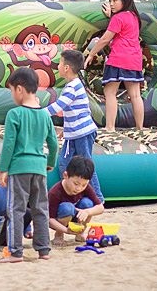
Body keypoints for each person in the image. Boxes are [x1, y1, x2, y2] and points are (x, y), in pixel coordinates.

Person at [0, 67, 57, 263]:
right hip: (39, 168)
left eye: (12, 90)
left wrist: (3, 169)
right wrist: (50, 163)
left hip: (19, 168)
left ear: (20, 89)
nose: (12, 95)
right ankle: (43, 250)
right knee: (41, 209)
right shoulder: (45, 115)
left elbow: (8, 145)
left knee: (16, 209)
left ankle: (15, 252)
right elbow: (53, 143)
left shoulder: (14, 114)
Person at [84, 0, 144, 131]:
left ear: (125, 0)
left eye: (115, 0)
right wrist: (112, 16)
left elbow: (105, 39)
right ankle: (140, 128)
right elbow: (124, 28)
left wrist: (91, 54)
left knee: (110, 93)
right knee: (135, 95)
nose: (111, 4)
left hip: (118, 59)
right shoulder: (134, 17)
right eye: (110, 0)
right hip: (134, 60)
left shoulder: (118, 18)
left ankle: (110, 126)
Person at [44, 49, 103, 201]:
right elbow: (72, 110)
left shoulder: (73, 87)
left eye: (60, 63)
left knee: (86, 165)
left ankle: (97, 197)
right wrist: (67, 129)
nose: (57, 66)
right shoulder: (72, 85)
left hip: (82, 133)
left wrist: (37, 113)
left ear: (66, 68)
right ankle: (70, 194)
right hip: (73, 133)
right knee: (64, 162)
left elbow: (58, 107)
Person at [48, 156, 105, 247]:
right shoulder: (55, 192)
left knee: (88, 204)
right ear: (66, 176)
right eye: (76, 184)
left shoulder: (86, 188)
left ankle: (80, 233)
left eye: (84, 185)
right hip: (59, 220)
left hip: (77, 218)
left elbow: (100, 207)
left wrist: (87, 211)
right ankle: (59, 235)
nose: (79, 188)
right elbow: (49, 219)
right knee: (67, 208)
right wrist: (66, 230)